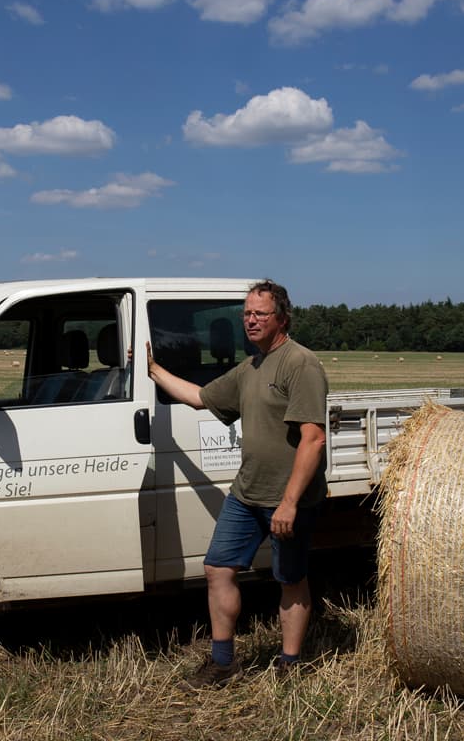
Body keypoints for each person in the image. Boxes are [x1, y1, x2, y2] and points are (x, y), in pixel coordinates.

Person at [146, 279, 328, 688]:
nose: (250, 320)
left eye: (259, 313)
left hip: (287, 498)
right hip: (247, 493)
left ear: (282, 317)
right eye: (246, 313)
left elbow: (313, 438)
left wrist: (289, 503)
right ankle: (223, 663)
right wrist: (154, 370)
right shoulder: (251, 367)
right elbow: (199, 397)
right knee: (217, 568)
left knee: (290, 579)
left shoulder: (301, 364)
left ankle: (290, 665)